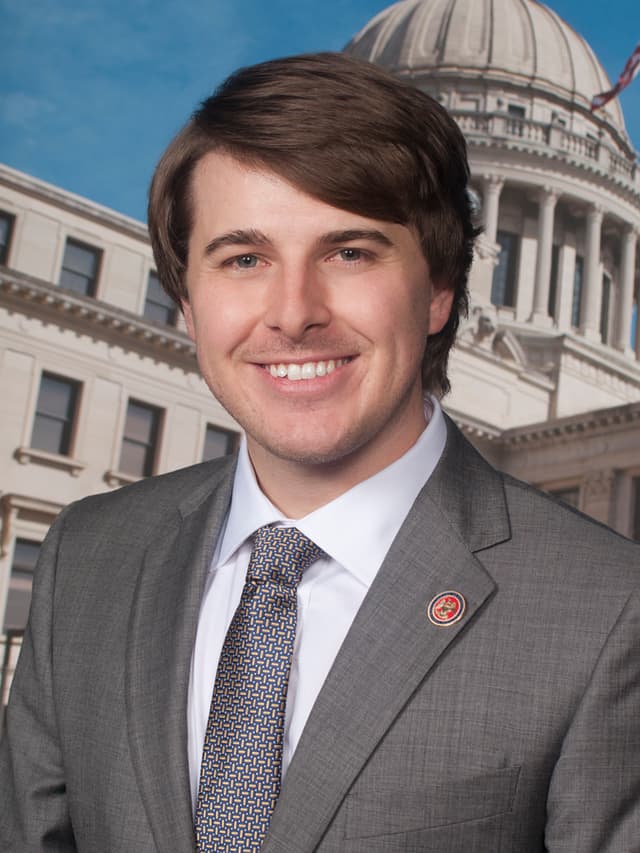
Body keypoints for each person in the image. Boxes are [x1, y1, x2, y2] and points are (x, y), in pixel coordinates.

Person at [1, 52, 639, 853]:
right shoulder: (88, 559)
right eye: (244, 258)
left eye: (350, 252)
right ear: (188, 303)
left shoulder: (612, 607)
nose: (294, 313)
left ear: (440, 288)